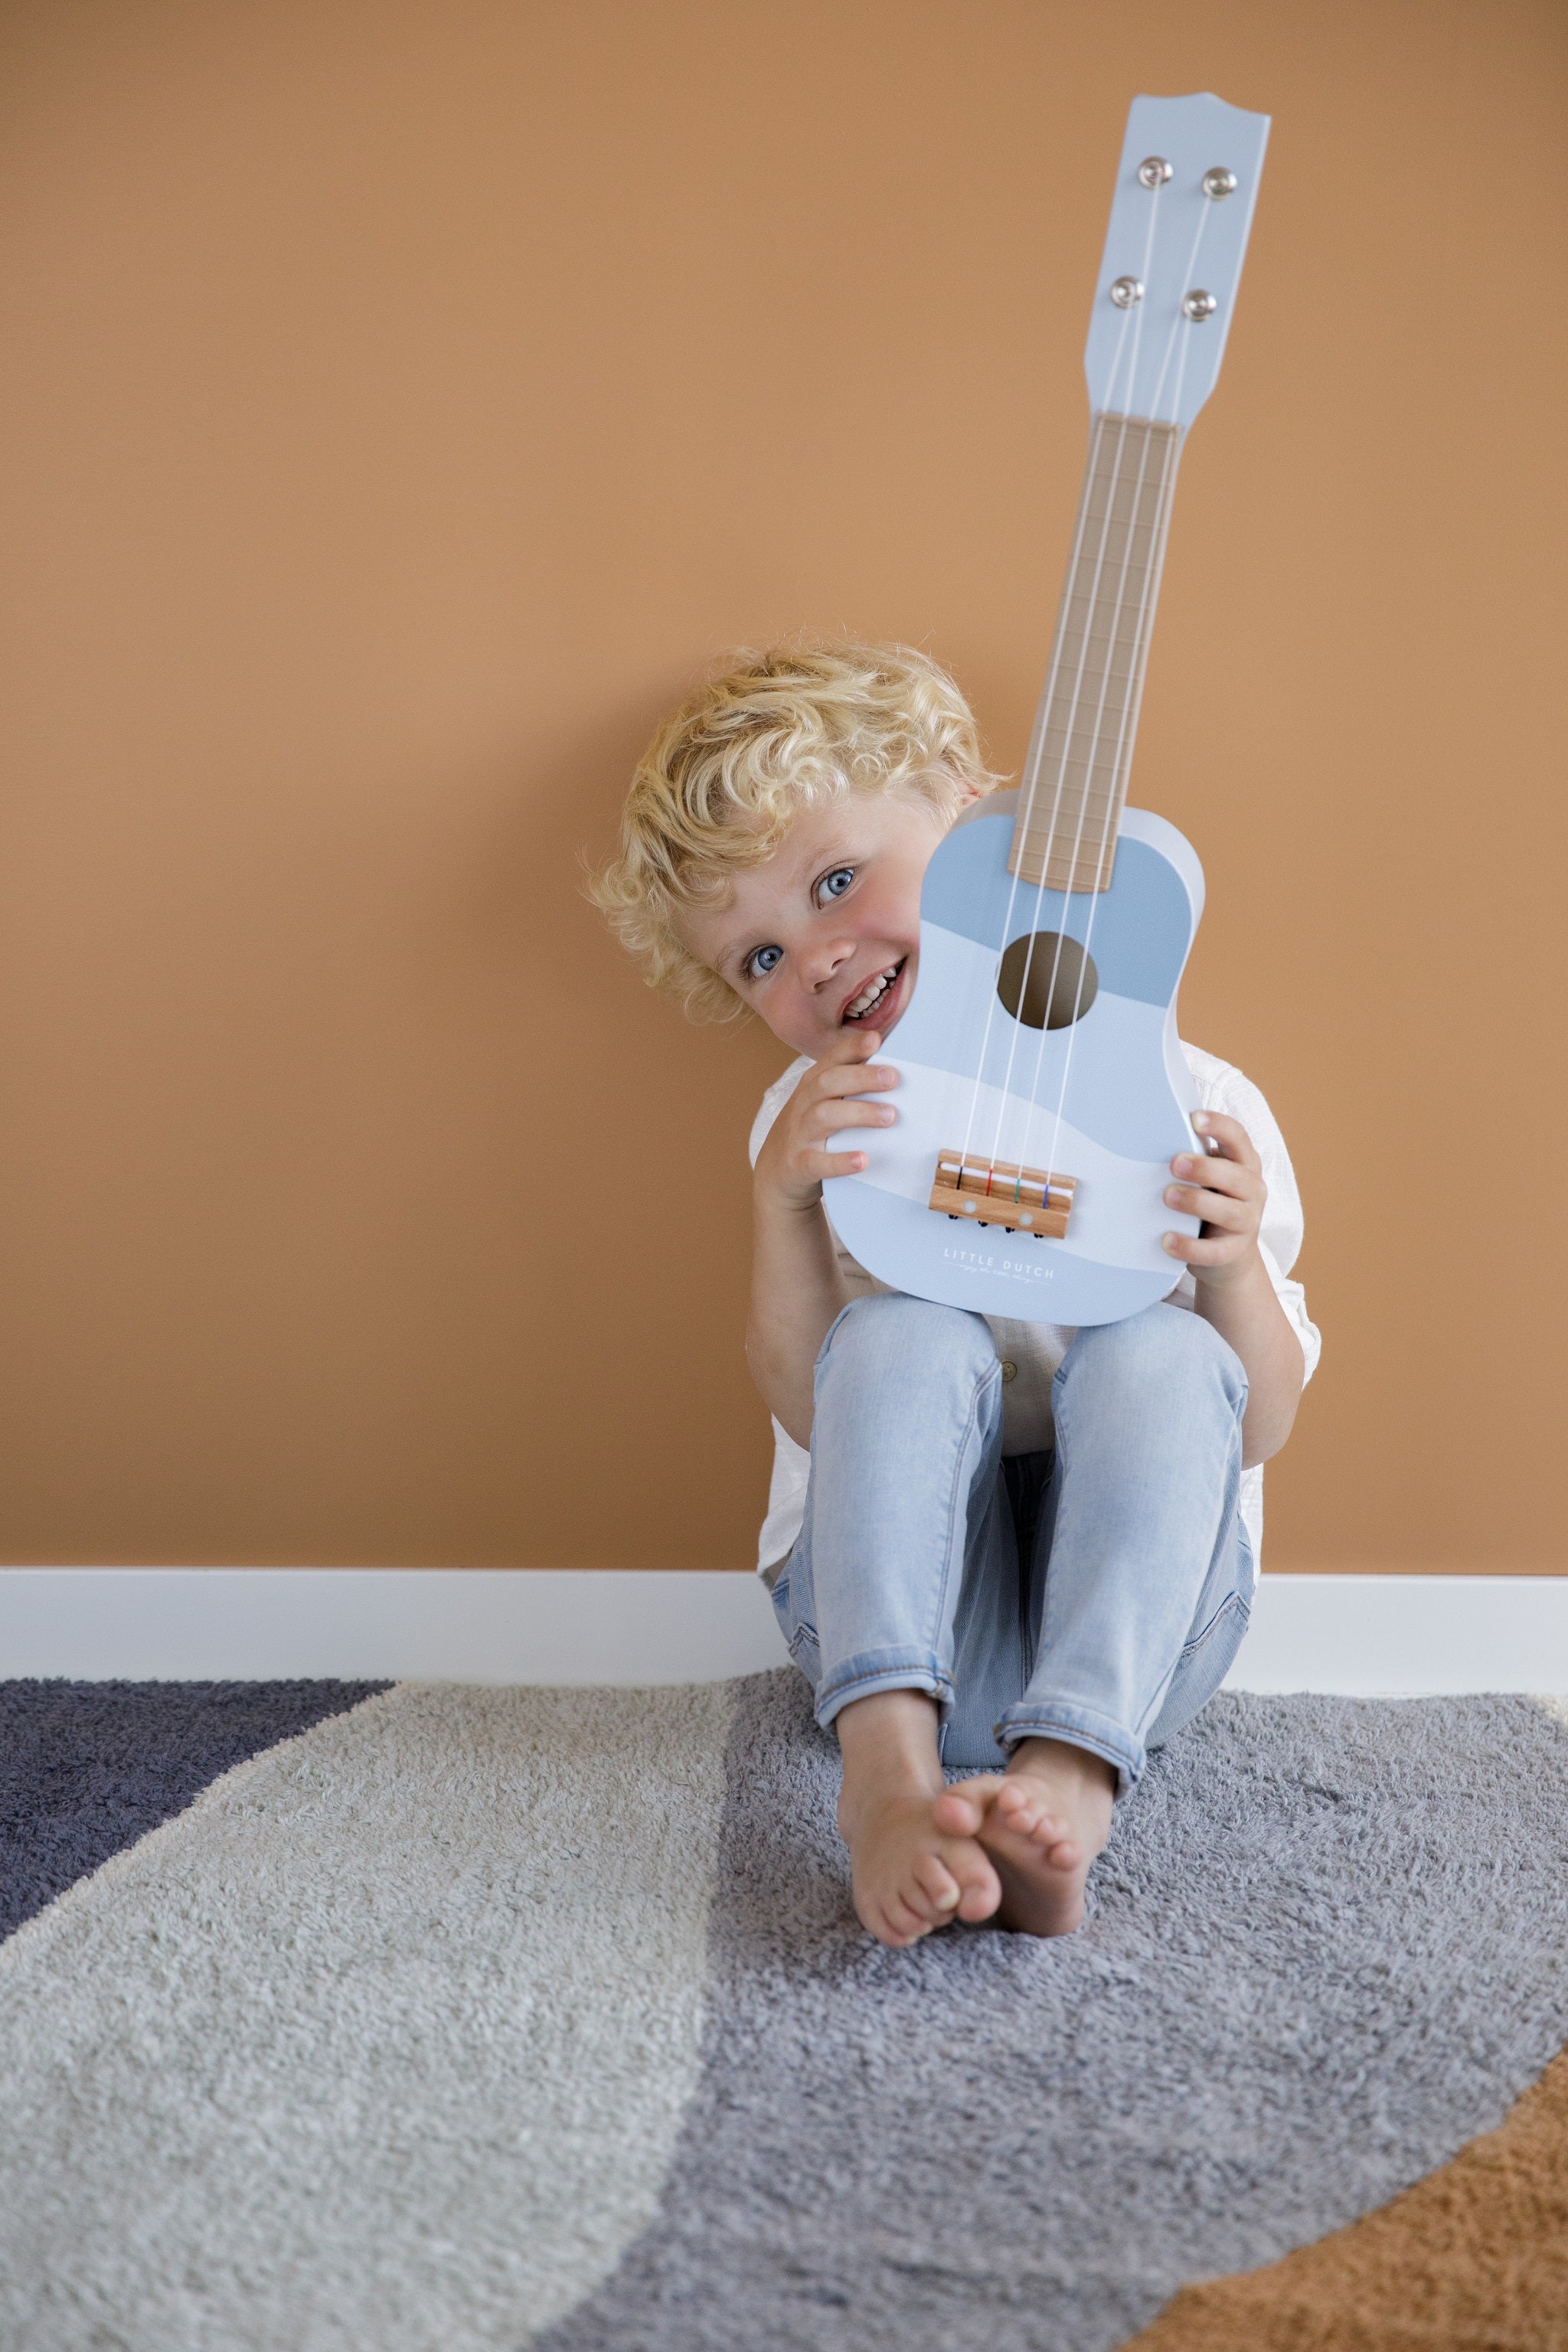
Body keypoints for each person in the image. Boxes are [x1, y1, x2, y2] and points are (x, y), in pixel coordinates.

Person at [592, 641, 1319, 1949]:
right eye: (758, 960)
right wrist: (781, 1206)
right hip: (890, 1622)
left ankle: (1069, 1780)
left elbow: (1255, 1425)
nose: (814, 961)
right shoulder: (818, 1125)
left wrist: (1229, 1266)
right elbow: (811, 1410)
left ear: (982, 831)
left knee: (1162, 1355)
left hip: (1137, 1639)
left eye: (835, 881)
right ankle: (886, 1780)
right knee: (898, 1333)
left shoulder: (1196, 1105)